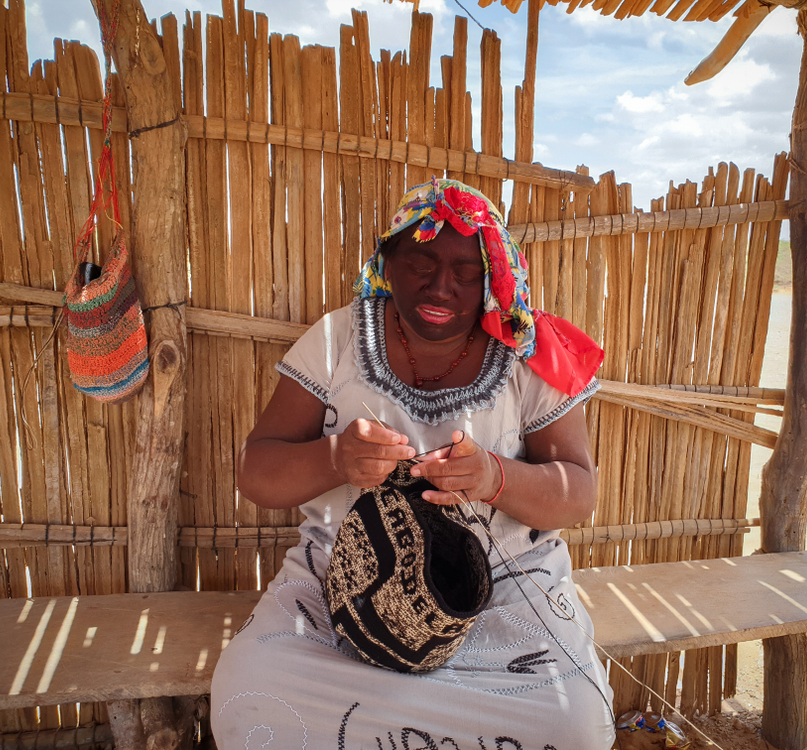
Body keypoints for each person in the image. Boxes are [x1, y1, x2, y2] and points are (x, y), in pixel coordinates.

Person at [210, 178, 616, 749]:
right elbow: (256, 470)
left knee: (571, 725)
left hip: (503, 587)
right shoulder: (337, 341)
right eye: (421, 262)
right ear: (389, 260)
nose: (441, 286)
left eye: (465, 272)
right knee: (249, 696)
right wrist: (336, 458)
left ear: (492, 278)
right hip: (340, 583)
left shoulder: (527, 352)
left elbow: (578, 491)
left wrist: (495, 477)